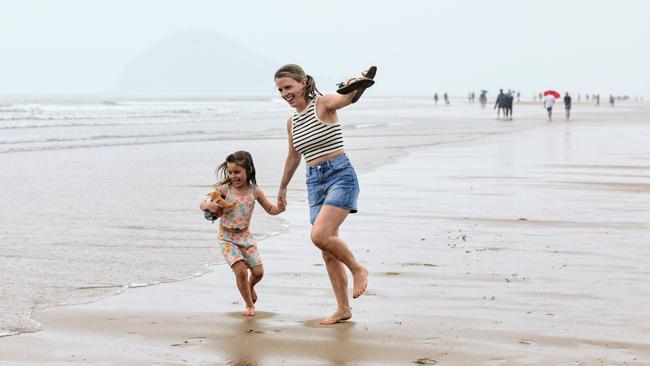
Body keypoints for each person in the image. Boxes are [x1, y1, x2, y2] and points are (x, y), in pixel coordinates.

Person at [274, 64, 370, 325]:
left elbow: (346, 98)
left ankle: (358, 269)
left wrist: (356, 84)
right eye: (280, 89)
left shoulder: (324, 103)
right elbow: (294, 156)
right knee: (327, 250)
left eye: (288, 87)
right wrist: (282, 187)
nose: (285, 93)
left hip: (340, 175)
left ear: (303, 83)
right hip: (314, 182)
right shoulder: (292, 122)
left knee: (320, 235)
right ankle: (343, 309)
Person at [200, 151, 285, 317]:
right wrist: (208, 207)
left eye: (237, 172)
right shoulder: (224, 189)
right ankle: (249, 304)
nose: (233, 176)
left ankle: (250, 286)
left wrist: (279, 208)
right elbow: (202, 204)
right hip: (227, 238)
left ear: (248, 170)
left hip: (246, 237)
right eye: (230, 172)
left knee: (258, 273)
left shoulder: (255, 191)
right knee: (240, 271)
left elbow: (270, 209)